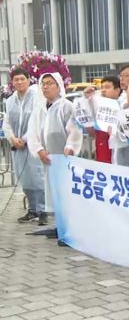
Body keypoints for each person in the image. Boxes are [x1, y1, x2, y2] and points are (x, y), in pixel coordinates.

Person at [26, 72, 82, 229]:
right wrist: (39, 150)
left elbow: (75, 130)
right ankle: (59, 226)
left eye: (50, 83)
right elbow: (32, 132)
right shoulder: (39, 109)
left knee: (66, 191)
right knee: (53, 192)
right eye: (43, 84)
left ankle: (69, 227)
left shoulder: (67, 106)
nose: (46, 87)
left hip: (64, 157)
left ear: (59, 86)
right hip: (47, 158)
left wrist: (70, 148)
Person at [3, 68, 46, 224]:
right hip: (17, 146)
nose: (19, 82)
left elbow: (38, 121)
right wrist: (13, 139)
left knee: (37, 178)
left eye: (22, 79)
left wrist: (26, 139)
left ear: (28, 80)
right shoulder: (10, 101)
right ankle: (32, 210)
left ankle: (43, 210)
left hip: (33, 145)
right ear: (12, 82)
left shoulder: (37, 98)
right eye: (16, 79)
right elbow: (6, 123)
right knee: (25, 179)